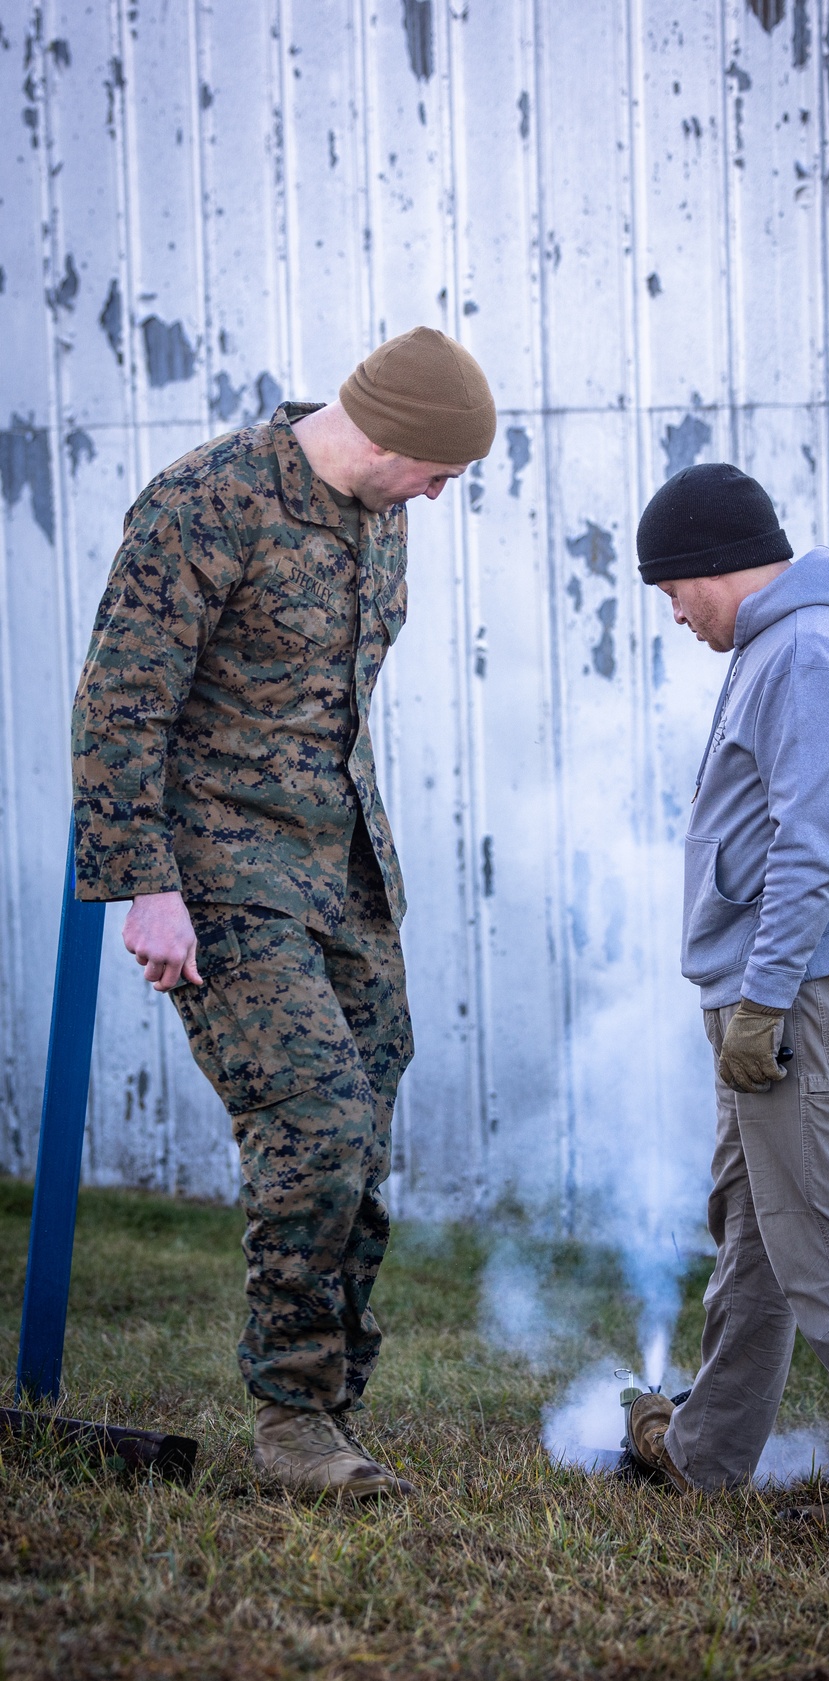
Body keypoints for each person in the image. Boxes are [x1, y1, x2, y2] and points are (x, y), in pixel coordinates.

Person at [72, 326, 496, 1500]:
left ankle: (336, 1403)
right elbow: (118, 704)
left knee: (361, 1127)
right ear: (383, 435)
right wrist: (144, 884)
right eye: (440, 471)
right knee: (309, 1118)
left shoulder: (378, 510)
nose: (442, 495)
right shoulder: (204, 505)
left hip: (345, 872)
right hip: (220, 873)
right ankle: (293, 1421)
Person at [624, 462, 829, 1531]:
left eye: (674, 586)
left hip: (796, 988)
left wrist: (761, 1002)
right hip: (771, 984)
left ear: (718, 563)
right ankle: (705, 1450)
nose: (672, 611)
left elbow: (810, 847)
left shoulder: (804, 649)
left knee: (824, 1236)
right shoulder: (778, 640)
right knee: (757, 1230)